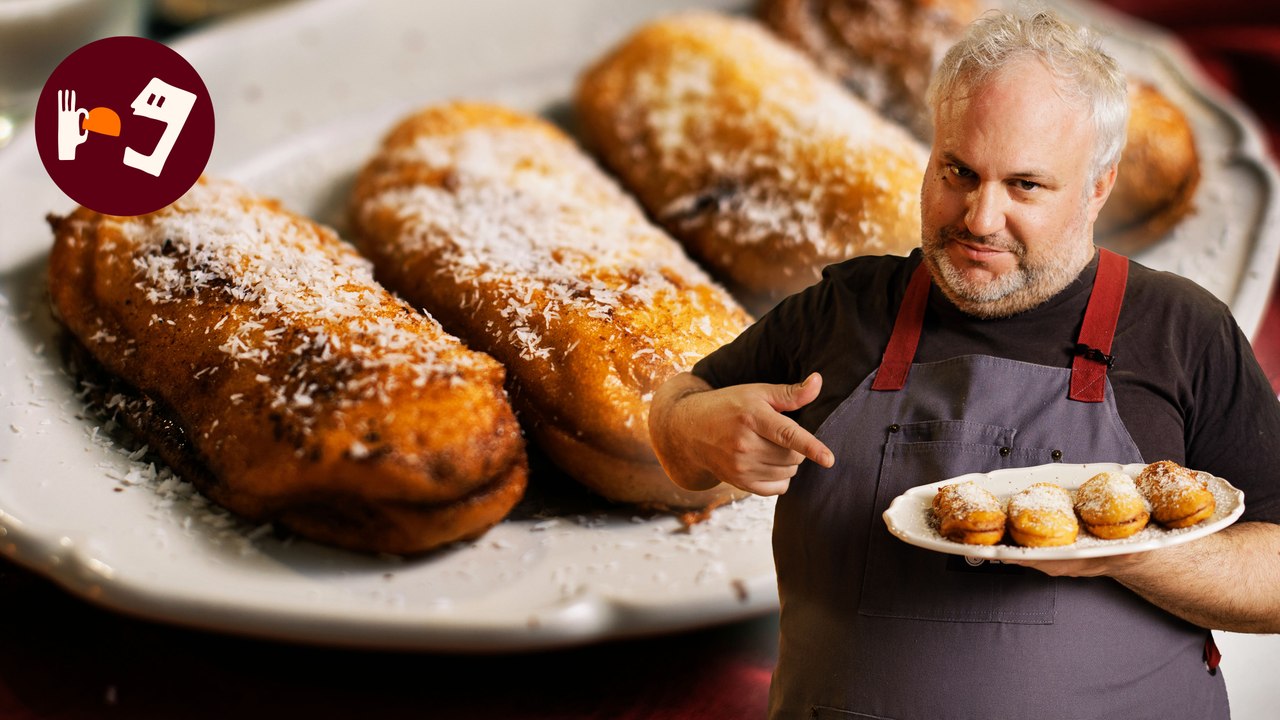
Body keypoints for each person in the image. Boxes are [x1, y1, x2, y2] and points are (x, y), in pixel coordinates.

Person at [647, 8, 1280, 719]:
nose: (979, 218)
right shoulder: (844, 310)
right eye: (959, 172)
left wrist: (1130, 554)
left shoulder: (1180, 330)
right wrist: (697, 427)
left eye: (1026, 186)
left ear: (1098, 187)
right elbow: (676, 413)